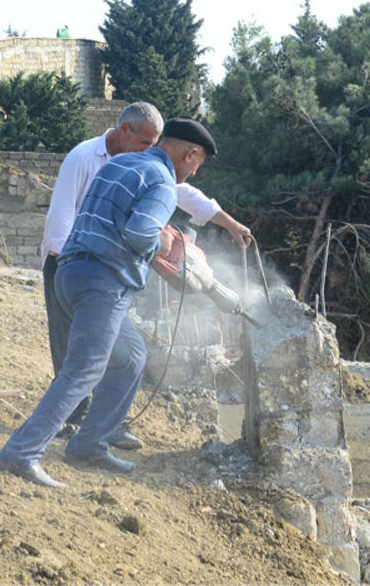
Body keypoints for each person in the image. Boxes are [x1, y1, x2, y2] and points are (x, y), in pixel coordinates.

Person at [0, 119, 218, 488]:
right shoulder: (162, 183)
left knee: (130, 356)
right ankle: (21, 452)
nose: (194, 172)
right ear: (189, 154)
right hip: (103, 283)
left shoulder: (119, 164)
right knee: (83, 371)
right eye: (197, 165)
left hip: (69, 272)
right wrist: (168, 246)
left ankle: (89, 443)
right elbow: (140, 233)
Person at [40, 104, 251, 446]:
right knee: (73, 353)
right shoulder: (83, 158)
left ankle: (102, 426)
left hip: (107, 268)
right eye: (145, 142)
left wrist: (228, 222)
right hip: (70, 260)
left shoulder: (140, 164)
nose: (151, 150)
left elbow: (184, 195)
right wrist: (77, 263)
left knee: (120, 352)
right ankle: (64, 427)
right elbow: (62, 218)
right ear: (125, 131)